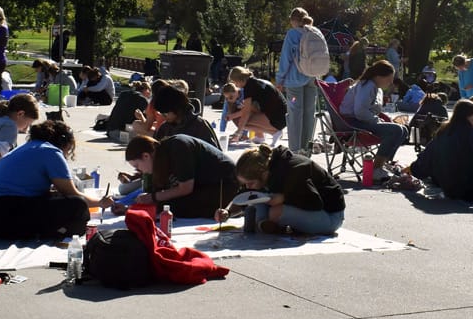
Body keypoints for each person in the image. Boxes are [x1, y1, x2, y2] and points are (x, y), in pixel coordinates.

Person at [0, 120, 98, 240]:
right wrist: (101, 202)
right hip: (4, 217)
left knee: (53, 199)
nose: (66, 154)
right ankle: (57, 232)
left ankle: (52, 230)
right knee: (78, 205)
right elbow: (71, 193)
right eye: (68, 149)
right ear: (64, 143)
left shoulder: (25, 149)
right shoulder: (51, 152)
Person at [217, 144, 346, 235]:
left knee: (275, 212)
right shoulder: (267, 170)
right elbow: (245, 196)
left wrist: (284, 198)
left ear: (263, 173)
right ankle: (266, 224)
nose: (247, 187)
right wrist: (227, 212)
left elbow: (315, 203)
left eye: (250, 183)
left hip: (330, 215)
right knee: (256, 202)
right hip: (306, 208)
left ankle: (268, 223)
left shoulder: (294, 170)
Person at [122, 134, 238, 219]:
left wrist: (152, 197)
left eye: (137, 166)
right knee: (165, 204)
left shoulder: (178, 147)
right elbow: (160, 191)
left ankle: (229, 210)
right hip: (203, 185)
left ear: (146, 156)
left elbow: (185, 188)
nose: (140, 171)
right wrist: (129, 207)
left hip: (223, 184)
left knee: (174, 207)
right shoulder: (160, 159)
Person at [340, 60, 409, 180]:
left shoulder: (376, 88)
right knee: (396, 130)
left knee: (404, 129)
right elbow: (360, 111)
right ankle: (376, 169)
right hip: (352, 123)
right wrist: (377, 121)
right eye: (389, 79)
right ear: (378, 76)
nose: (391, 82)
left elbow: (371, 111)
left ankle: (384, 163)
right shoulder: (367, 86)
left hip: (362, 120)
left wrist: (384, 120)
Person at [276, 7, 322, 156]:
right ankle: (306, 149)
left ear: (293, 20)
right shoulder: (315, 32)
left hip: (294, 80)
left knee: (295, 113)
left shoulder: (292, 34)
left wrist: (280, 79)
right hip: (312, 78)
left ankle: (295, 150)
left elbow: (286, 58)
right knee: (309, 113)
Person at [151, 79, 222, 149]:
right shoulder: (164, 128)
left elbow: (214, 153)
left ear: (177, 108)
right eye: (161, 113)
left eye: (166, 113)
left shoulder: (200, 126)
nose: (164, 116)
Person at [227, 66, 287, 145]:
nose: (236, 85)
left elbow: (246, 113)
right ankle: (268, 134)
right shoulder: (255, 82)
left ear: (239, 79)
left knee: (239, 120)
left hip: (278, 119)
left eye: (235, 82)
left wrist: (238, 133)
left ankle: (274, 132)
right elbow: (251, 108)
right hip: (283, 116)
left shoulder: (249, 87)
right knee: (248, 111)